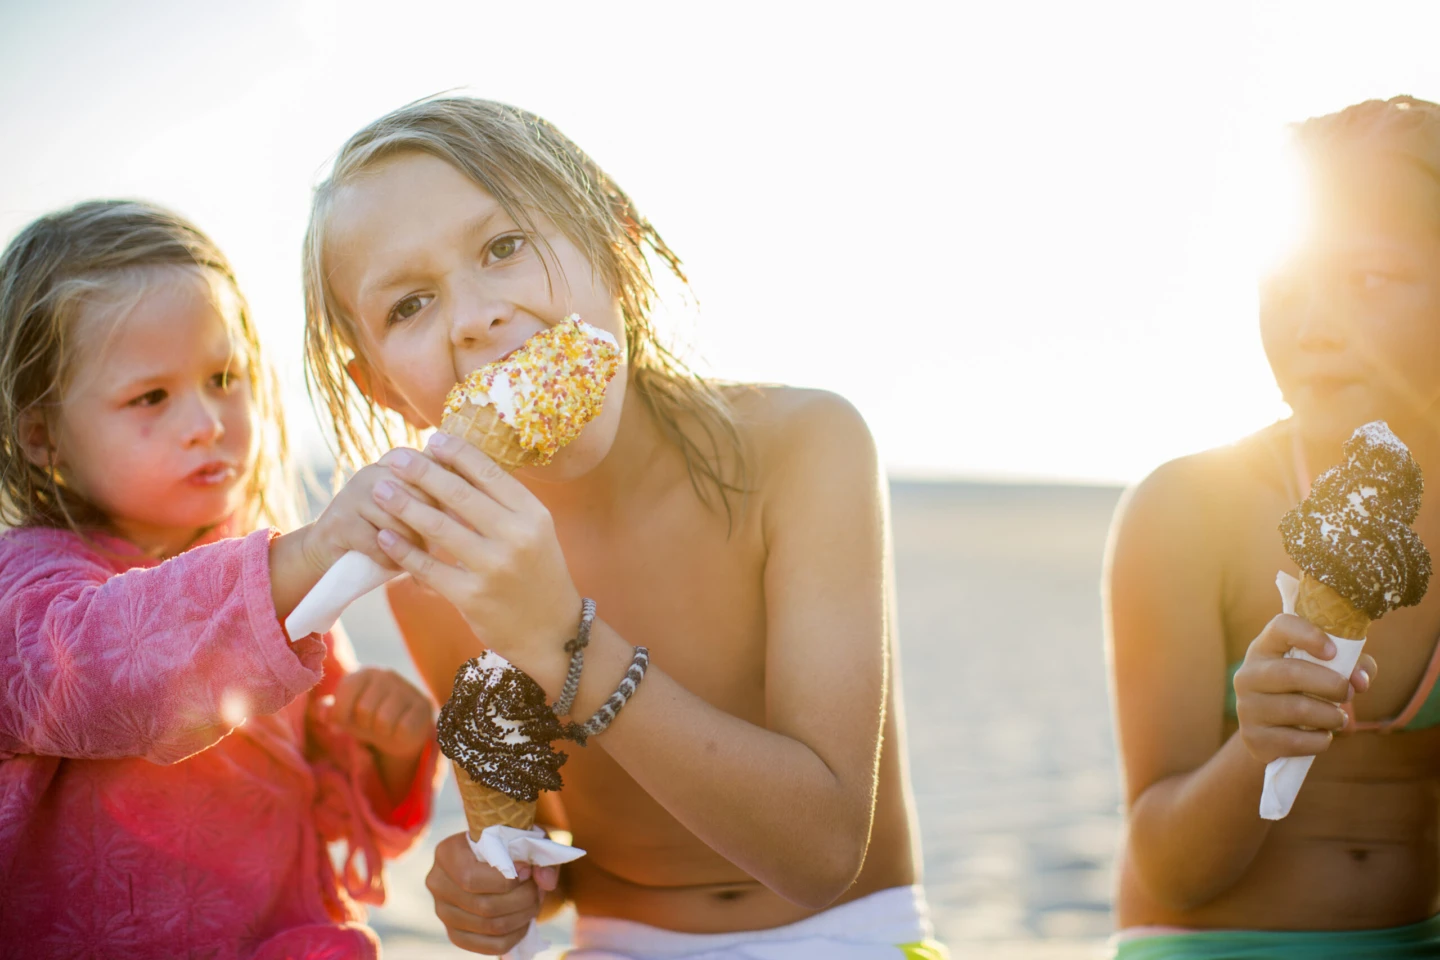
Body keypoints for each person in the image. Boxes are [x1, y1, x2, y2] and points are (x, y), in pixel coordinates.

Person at [300, 96, 946, 959]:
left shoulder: (801, 447)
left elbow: (822, 852)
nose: (474, 317)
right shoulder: (433, 566)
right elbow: (550, 846)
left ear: (616, 238)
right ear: (380, 384)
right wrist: (498, 878)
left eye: (503, 247)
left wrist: (565, 641)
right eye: (410, 305)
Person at [0, 200, 442, 959]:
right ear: (42, 436)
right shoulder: (27, 587)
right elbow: (103, 671)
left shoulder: (277, 581)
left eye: (223, 377)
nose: (207, 420)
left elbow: (329, 813)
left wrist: (385, 752)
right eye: (152, 396)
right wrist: (309, 553)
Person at [1106, 96, 1440, 958]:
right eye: (1284, 285)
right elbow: (1169, 868)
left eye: (1370, 280)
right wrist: (1257, 746)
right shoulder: (1188, 509)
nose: (1314, 327)